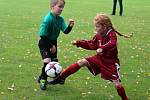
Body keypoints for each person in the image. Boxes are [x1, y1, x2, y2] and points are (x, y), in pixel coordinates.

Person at [48, 13, 132, 100]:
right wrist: (79, 43)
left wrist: (102, 48)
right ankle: (61, 78)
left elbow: (112, 43)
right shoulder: (98, 35)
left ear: (105, 26)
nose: (95, 28)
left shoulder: (111, 34)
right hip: (99, 58)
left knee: (117, 84)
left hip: (110, 63)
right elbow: (91, 44)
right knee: (82, 62)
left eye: (97, 26)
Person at [37, 0, 74, 90]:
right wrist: (51, 46)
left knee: (54, 62)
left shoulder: (60, 19)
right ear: (52, 6)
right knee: (47, 62)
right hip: (44, 42)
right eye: (59, 6)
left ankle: (42, 75)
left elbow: (65, 31)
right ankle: (43, 79)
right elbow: (42, 35)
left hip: (53, 42)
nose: (61, 9)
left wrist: (70, 26)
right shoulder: (48, 19)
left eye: (62, 7)